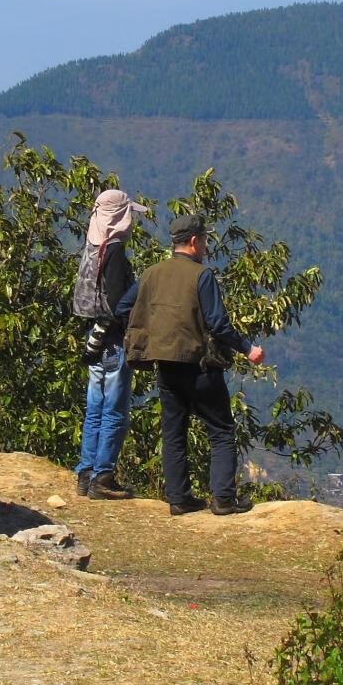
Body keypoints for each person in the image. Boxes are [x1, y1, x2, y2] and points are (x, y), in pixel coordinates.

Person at [116, 213, 266, 516]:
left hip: (165, 365)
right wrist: (248, 348)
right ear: (195, 241)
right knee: (221, 429)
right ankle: (223, 499)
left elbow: (123, 307)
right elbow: (218, 324)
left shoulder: (151, 274)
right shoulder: (202, 275)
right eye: (205, 240)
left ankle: (179, 499)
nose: (206, 246)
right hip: (200, 366)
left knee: (173, 431)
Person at [74, 188, 149, 500]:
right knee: (115, 410)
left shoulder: (91, 248)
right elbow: (118, 302)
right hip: (113, 341)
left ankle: (85, 472)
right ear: (120, 217)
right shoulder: (115, 252)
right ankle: (103, 476)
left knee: (94, 408)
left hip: (93, 336)